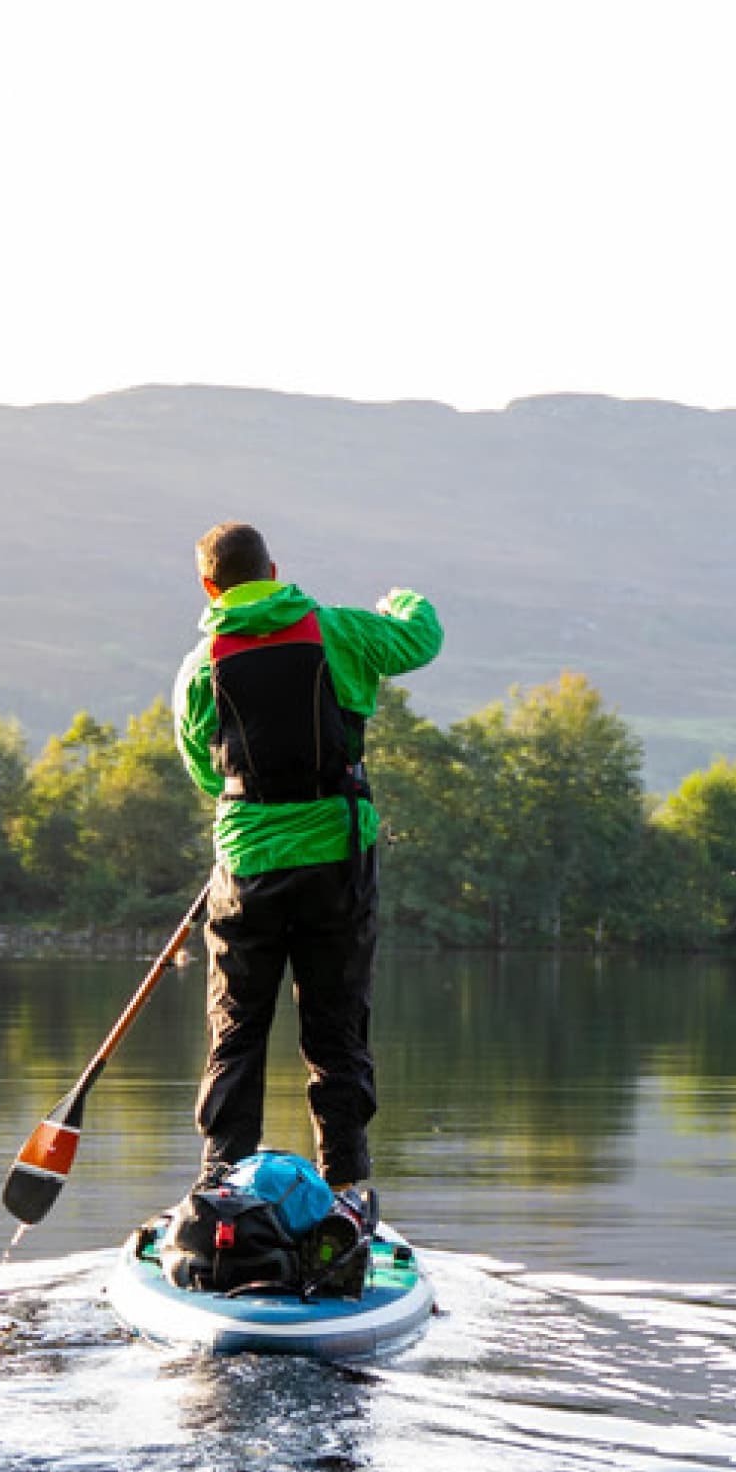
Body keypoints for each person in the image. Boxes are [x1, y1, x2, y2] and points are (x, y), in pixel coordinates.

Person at [172, 521, 443, 1215]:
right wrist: (401, 600)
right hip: (336, 863)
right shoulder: (340, 631)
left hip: (247, 866)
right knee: (335, 1028)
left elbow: (208, 771)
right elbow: (422, 638)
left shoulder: (202, 666)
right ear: (274, 568)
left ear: (210, 586)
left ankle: (218, 1186)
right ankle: (348, 1189)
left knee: (236, 1029)